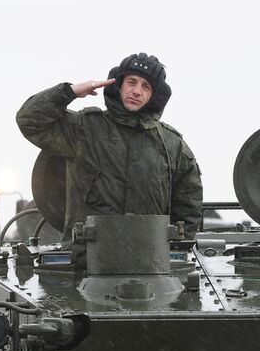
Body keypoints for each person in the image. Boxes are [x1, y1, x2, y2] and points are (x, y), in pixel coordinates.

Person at [16, 53, 202, 235]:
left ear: (154, 96)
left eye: (146, 86)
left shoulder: (172, 145)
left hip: (149, 261)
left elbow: (188, 210)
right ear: (118, 85)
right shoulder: (85, 128)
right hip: (87, 258)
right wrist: (68, 92)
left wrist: (172, 250)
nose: (137, 91)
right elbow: (29, 119)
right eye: (131, 82)